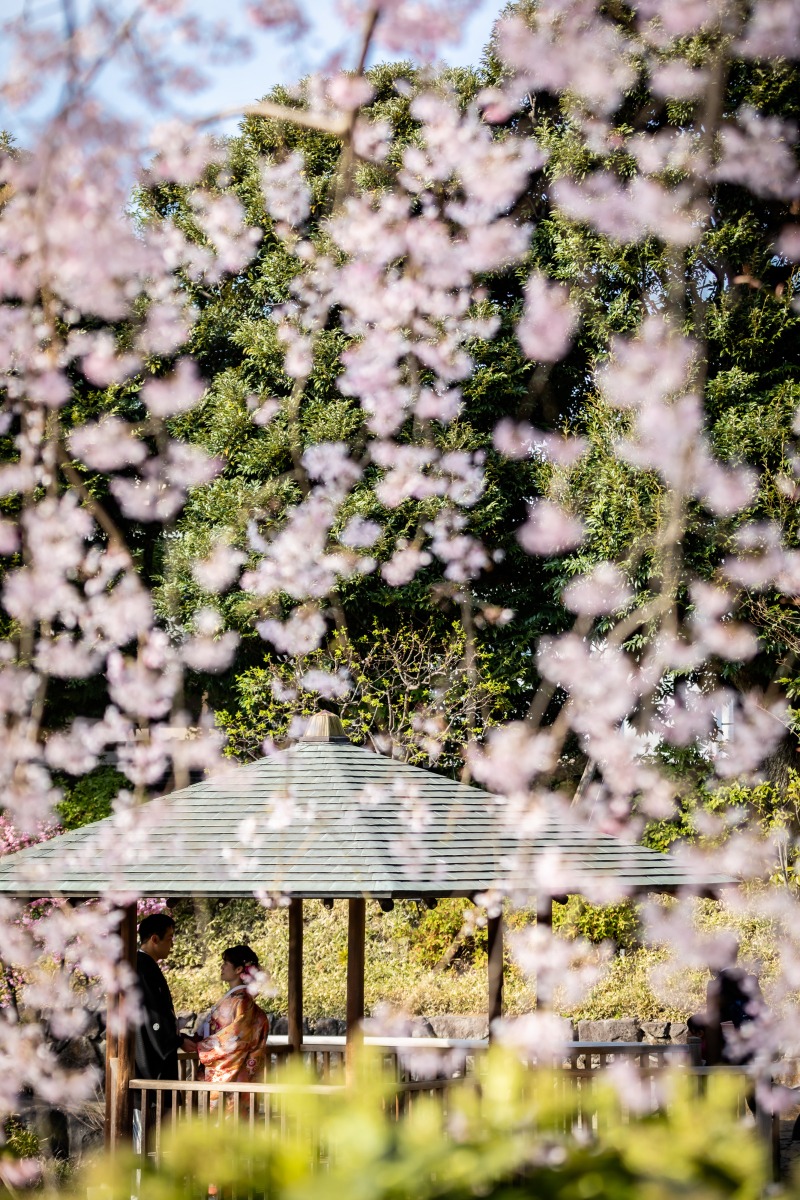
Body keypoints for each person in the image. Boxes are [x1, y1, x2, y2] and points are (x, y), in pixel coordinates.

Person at [133, 912, 196, 1151]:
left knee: (156, 1136)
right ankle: (141, 1188)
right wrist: (174, 1040)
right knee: (148, 1136)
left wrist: (177, 1038)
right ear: (154, 939)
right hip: (148, 1060)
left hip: (155, 1055)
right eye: (170, 938)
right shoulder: (141, 967)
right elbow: (153, 1017)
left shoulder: (145, 966)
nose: (173, 943)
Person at [193, 945, 269, 1115]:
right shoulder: (235, 999)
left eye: (225, 963)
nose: (221, 967)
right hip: (228, 1070)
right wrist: (194, 1039)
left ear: (239, 969)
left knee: (228, 1124)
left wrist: (201, 1046)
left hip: (234, 1071)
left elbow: (236, 1038)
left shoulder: (242, 1001)